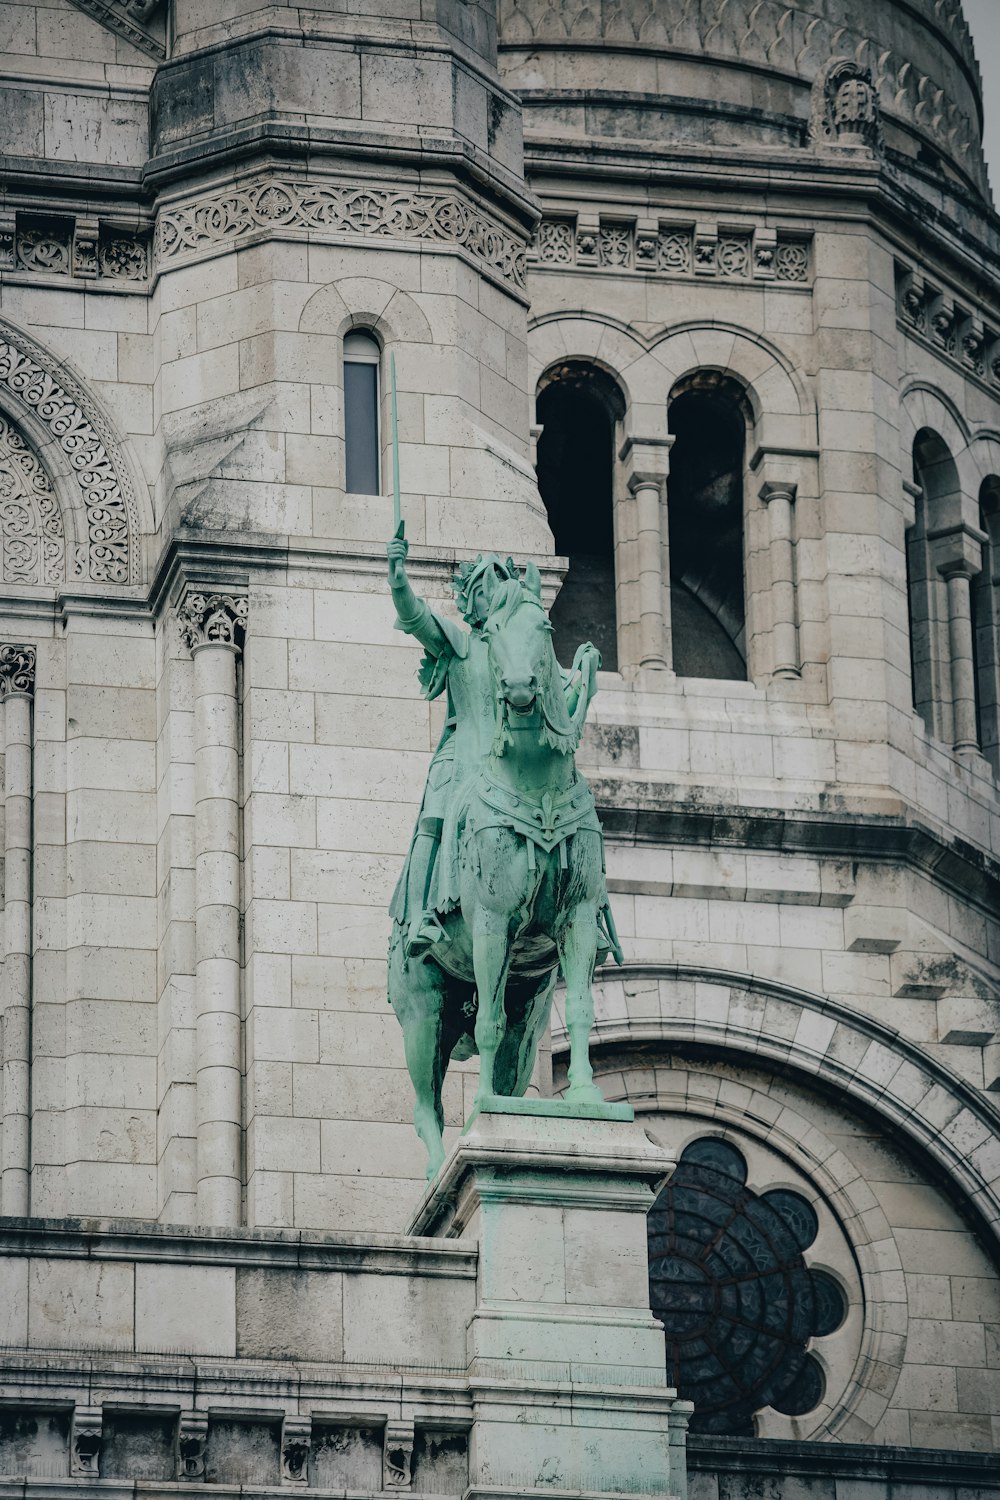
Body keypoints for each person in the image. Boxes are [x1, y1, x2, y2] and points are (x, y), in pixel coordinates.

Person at [387, 530, 520, 956]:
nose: (494, 594)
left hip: (508, 760)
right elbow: (417, 618)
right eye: (485, 588)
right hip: (460, 757)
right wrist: (398, 581)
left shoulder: (522, 652)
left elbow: (558, 693)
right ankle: (422, 914)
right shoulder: (460, 642)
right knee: (436, 819)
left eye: (502, 586)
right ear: (472, 601)